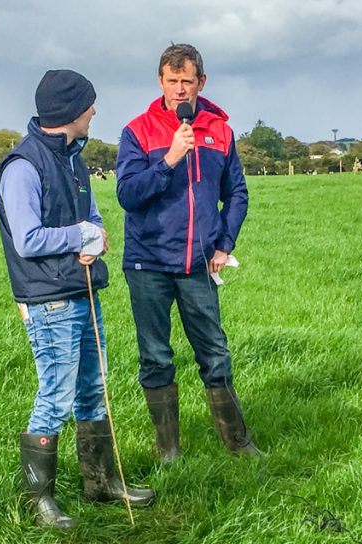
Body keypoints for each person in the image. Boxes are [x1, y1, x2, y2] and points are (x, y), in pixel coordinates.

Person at [0, 69, 155, 529]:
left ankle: (100, 482)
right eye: (89, 105)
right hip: (50, 300)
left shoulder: (74, 159)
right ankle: (39, 500)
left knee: (93, 389)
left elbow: (91, 216)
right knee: (56, 395)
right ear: (69, 111)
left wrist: (95, 234)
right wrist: (78, 235)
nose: (94, 111)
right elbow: (27, 239)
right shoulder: (23, 167)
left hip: (83, 291)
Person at [116, 44, 261, 462]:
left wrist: (224, 243)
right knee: (156, 357)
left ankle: (238, 442)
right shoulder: (137, 131)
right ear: (160, 82)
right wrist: (170, 159)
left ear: (202, 82)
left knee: (214, 353)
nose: (180, 90)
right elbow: (127, 194)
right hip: (148, 263)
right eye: (172, 81)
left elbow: (236, 193)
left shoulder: (221, 131)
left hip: (199, 264)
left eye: (187, 81)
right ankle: (169, 452)